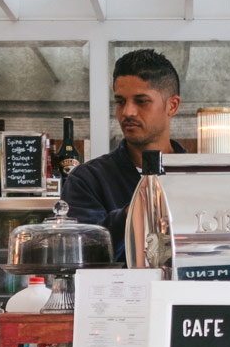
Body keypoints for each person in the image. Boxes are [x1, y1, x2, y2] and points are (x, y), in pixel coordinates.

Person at [61, 49, 185, 260]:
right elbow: (82, 256)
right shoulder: (87, 180)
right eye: (120, 101)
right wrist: (137, 210)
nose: (127, 112)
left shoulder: (197, 178)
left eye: (141, 101)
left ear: (172, 106)